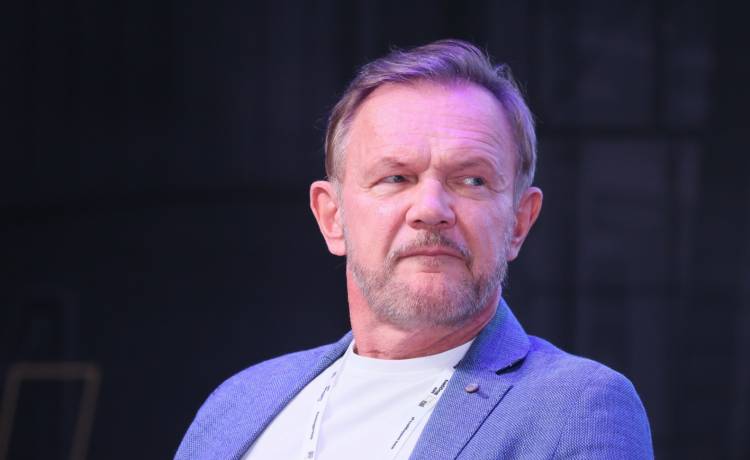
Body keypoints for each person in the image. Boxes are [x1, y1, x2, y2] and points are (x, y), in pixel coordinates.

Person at [176, 39, 653, 459]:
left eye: (472, 180)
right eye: (396, 177)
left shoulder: (575, 407)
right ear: (332, 216)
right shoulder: (239, 402)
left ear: (519, 223)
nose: (430, 209)